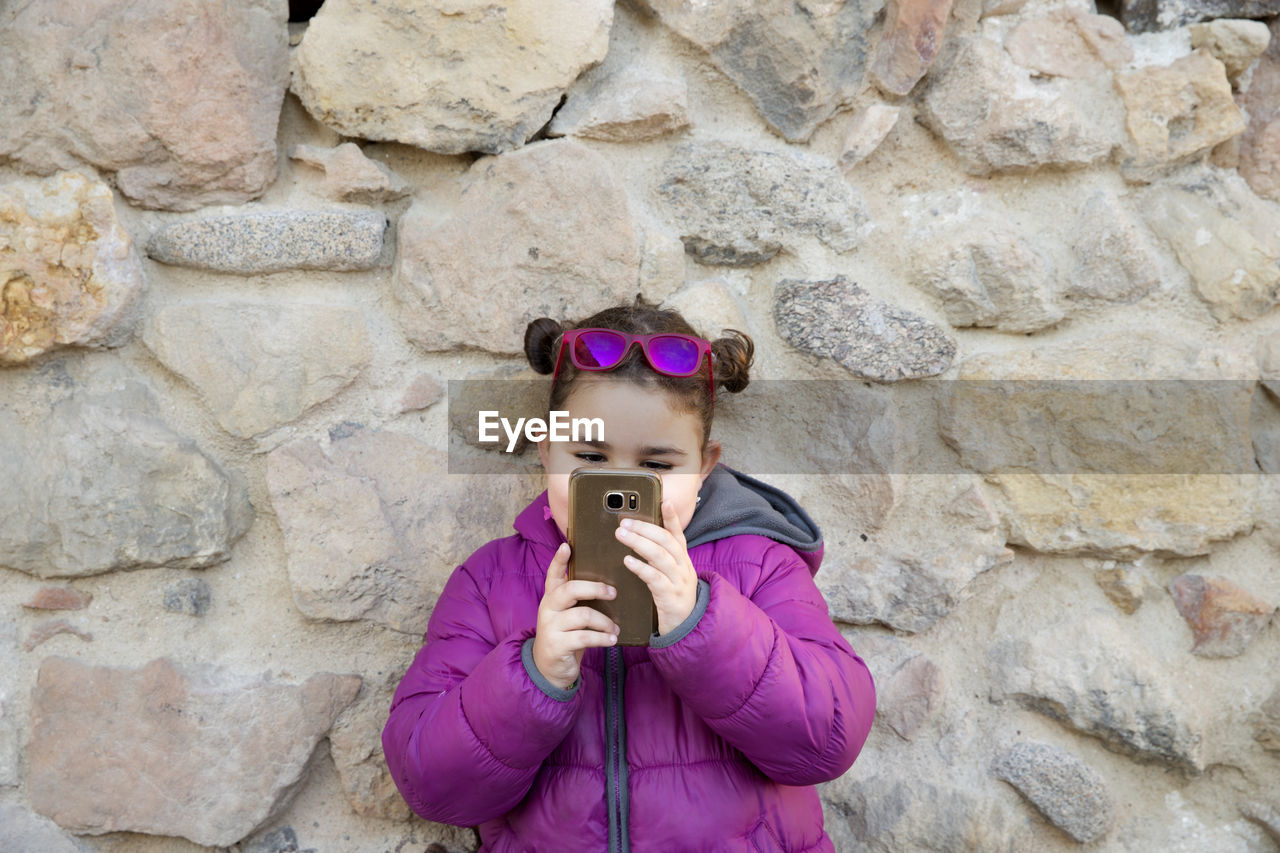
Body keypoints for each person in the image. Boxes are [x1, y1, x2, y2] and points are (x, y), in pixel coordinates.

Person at [382, 300, 876, 852]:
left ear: (705, 466)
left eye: (658, 466)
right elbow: (429, 786)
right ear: (546, 452)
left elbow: (830, 740)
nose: (619, 484)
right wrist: (534, 676)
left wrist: (704, 624)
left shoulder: (760, 565)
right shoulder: (488, 581)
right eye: (590, 457)